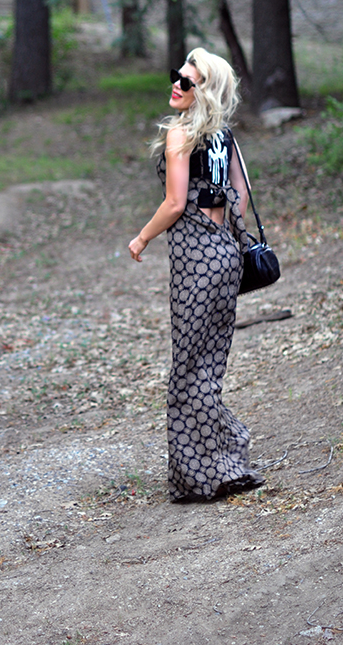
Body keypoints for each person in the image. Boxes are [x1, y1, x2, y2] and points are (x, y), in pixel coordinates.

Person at [128, 47, 265, 503]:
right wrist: (221, 233)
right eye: (176, 75)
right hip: (225, 256)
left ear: (203, 91)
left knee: (187, 373)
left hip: (195, 262)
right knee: (206, 370)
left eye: (187, 81)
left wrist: (142, 238)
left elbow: (172, 203)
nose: (176, 84)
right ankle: (217, 467)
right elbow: (241, 194)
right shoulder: (224, 137)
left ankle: (210, 470)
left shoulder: (183, 134)